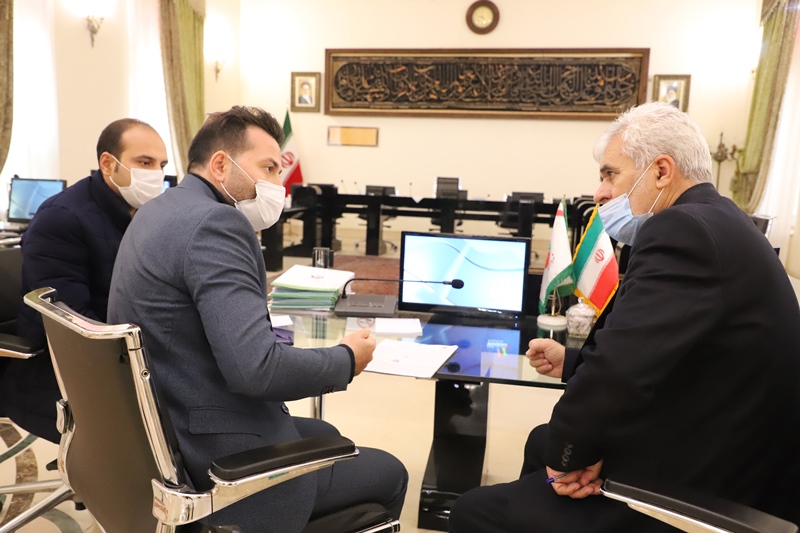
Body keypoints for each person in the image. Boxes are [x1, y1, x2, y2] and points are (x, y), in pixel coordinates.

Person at [449, 102, 800, 532]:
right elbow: (661, 350)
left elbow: (618, 371)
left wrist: (569, 456)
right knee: (544, 442)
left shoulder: (683, 231)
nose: (599, 193)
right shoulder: (720, 219)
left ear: (661, 171)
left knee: (473, 510)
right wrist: (573, 364)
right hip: (723, 436)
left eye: (610, 174)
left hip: (714, 486)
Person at [107, 105, 408, 532]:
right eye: (267, 168)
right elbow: (257, 371)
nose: (277, 186)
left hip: (166, 422)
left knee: (324, 429)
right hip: (213, 459)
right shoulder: (216, 223)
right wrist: (346, 359)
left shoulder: (160, 209)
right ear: (220, 165)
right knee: (390, 471)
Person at [0, 118, 168, 443]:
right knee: (172, 425)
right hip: (62, 372)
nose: (155, 174)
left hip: (120, 354)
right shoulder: (62, 217)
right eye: (144, 162)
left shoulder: (139, 213)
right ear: (108, 163)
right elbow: (70, 322)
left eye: (161, 165)